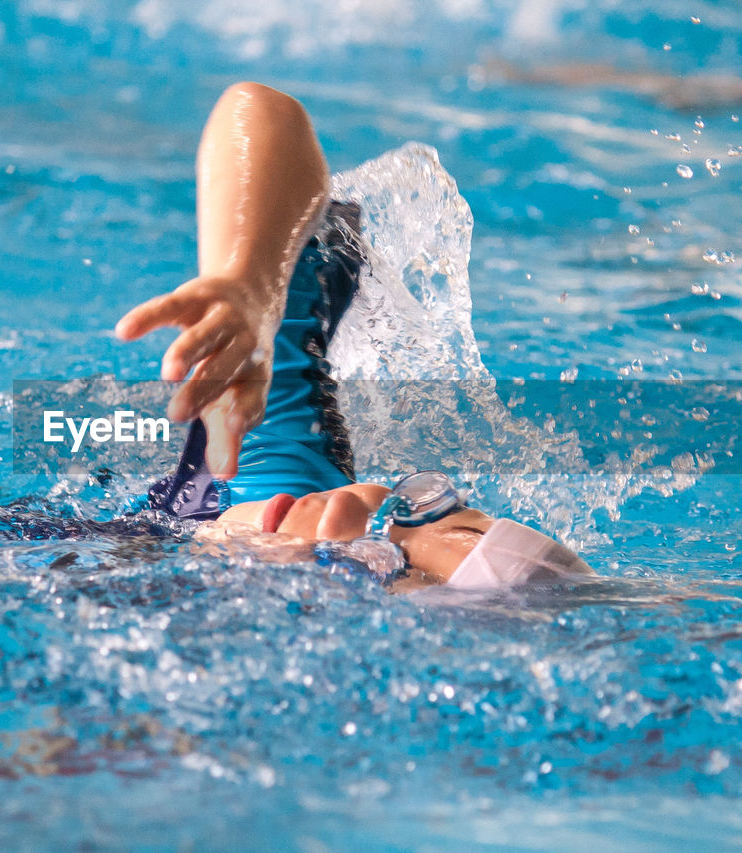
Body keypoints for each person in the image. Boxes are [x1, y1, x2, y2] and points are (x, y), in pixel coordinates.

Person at [116, 82, 593, 592]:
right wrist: (250, 284)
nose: (348, 508)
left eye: (388, 558)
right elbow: (258, 113)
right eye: (418, 515)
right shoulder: (268, 462)